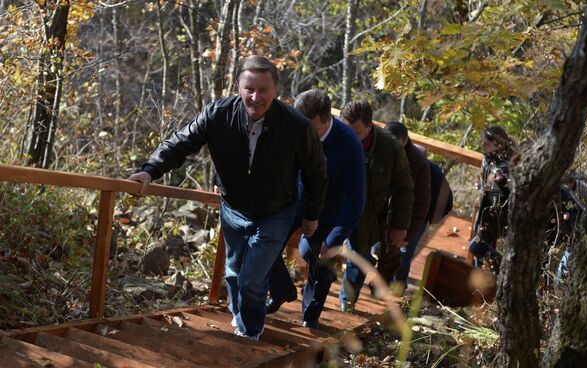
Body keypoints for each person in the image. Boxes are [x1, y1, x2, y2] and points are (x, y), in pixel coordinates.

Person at [128, 56, 328, 340]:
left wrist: (312, 214)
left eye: (263, 90)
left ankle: (249, 333)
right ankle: (241, 319)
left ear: (276, 91)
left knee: (251, 278)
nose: (255, 97)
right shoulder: (218, 114)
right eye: (249, 88)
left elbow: (316, 173)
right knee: (233, 273)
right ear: (238, 87)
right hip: (233, 207)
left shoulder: (297, 126)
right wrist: (150, 170)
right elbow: (180, 142)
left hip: (276, 211)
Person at [266, 89, 366, 327]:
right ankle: (281, 290)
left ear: (328, 119)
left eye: (312, 128)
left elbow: (355, 199)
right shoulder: (290, 127)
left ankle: (309, 318)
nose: (304, 134)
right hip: (289, 201)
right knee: (264, 244)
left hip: (326, 212)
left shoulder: (350, 146)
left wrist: (334, 239)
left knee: (318, 263)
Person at [338, 101, 414, 312]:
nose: (351, 137)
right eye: (346, 130)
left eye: (357, 132)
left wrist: (399, 225)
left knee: (358, 255)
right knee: (315, 251)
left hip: (367, 212)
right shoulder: (333, 135)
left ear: (370, 127)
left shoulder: (390, 149)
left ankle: (348, 300)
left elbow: (404, 189)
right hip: (334, 207)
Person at [376, 122, 431, 294]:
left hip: (409, 217)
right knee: (377, 250)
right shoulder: (377, 151)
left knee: (402, 252)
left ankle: (396, 288)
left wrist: (409, 232)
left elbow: (421, 203)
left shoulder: (419, 164)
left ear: (405, 141)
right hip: (381, 214)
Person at [393, 151, 453, 290]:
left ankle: (399, 286)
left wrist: (430, 219)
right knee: (385, 247)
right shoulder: (400, 165)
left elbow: (448, 201)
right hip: (398, 213)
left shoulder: (434, 173)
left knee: (405, 251)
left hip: (419, 218)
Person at [468, 125, 517, 274]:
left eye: (486, 144)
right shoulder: (487, 159)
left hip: (500, 213)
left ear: (499, 145)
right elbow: (486, 183)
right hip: (486, 210)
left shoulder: (507, 163)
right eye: (483, 142)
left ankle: (504, 270)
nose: (482, 145)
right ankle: (481, 283)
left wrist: (504, 183)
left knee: (476, 247)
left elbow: (514, 188)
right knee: (478, 251)